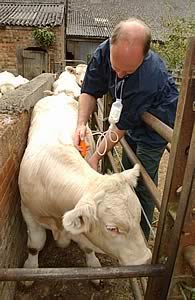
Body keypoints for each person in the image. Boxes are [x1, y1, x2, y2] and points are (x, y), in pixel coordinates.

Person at [74, 18, 179, 240]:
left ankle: (140, 235)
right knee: (127, 168)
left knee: (143, 177)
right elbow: (90, 89)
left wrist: (95, 157)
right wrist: (81, 123)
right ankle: (126, 216)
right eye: (115, 68)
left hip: (157, 120)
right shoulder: (104, 52)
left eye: (127, 70)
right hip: (130, 114)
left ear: (144, 56)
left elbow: (120, 127)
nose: (119, 74)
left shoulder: (148, 77)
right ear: (111, 45)